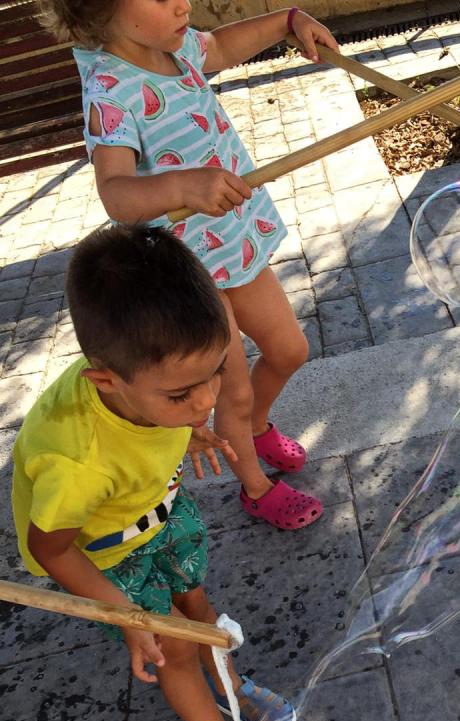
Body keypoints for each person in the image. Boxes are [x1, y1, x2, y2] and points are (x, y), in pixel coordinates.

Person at [12, 225, 315, 721]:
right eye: (182, 398)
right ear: (107, 380)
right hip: (106, 558)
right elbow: (52, 549)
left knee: (196, 602)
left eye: (216, 375)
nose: (205, 403)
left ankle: (227, 679)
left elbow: (179, 397)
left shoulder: (148, 382)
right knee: (172, 647)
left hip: (158, 513)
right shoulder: (77, 460)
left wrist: (184, 430)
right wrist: (124, 615)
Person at [42, 0, 339, 530]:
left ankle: (256, 427)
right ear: (100, 11)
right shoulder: (110, 90)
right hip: (189, 273)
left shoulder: (177, 48)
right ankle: (254, 485)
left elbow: (222, 46)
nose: (184, 4)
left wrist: (290, 20)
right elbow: (116, 195)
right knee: (232, 389)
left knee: (290, 349)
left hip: (232, 244)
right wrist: (183, 184)